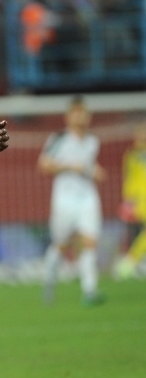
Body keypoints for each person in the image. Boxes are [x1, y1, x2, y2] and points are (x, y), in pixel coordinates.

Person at [37, 96, 106, 305]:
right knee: (61, 245)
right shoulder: (59, 139)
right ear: (68, 117)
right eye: (76, 113)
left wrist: (96, 171)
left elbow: (88, 166)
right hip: (64, 199)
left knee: (90, 242)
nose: (80, 117)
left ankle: (90, 291)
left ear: (89, 117)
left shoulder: (93, 141)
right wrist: (69, 167)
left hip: (87, 197)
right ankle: (49, 281)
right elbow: (43, 165)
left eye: (83, 113)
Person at [115, 120, 146, 278]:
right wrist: (127, 199)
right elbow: (128, 177)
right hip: (140, 199)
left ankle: (132, 262)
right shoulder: (132, 155)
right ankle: (130, 262)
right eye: (141, 133)